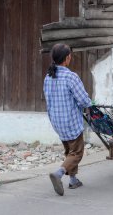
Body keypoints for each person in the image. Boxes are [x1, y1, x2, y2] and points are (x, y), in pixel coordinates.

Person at [43, 43, 92, 196]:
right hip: (70, 121)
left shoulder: (48, 76)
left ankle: (73, 180)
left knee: (69, 151)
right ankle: (59, 173)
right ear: (67, 58)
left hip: (57, 121)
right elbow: (84, 100)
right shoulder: (71, 76)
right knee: (77, 152)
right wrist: (90, 105)